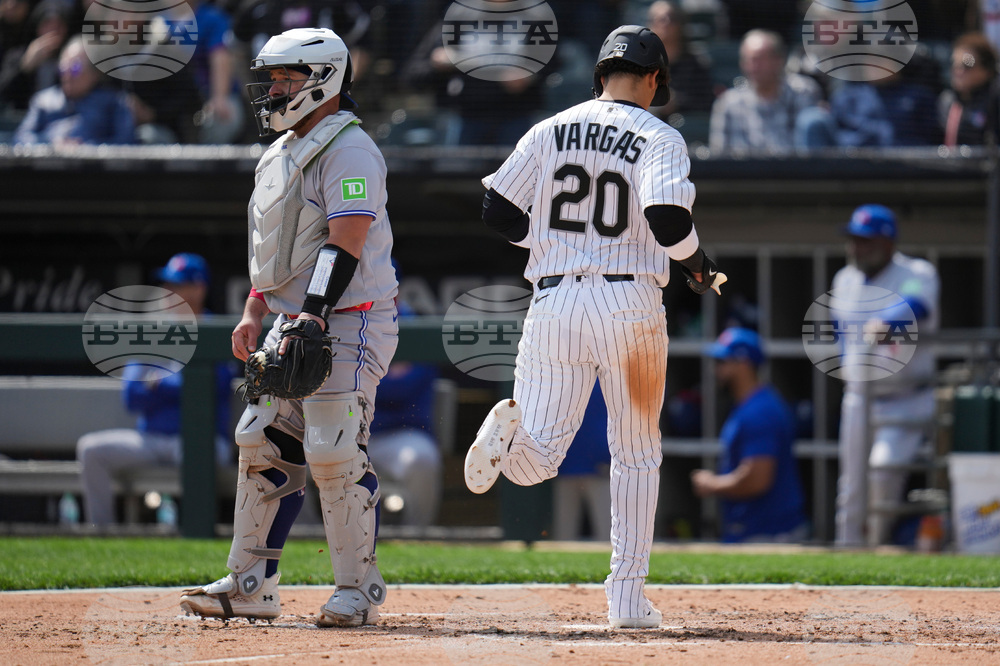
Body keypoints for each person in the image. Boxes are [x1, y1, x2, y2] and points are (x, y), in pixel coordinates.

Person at [462, 25, 723, 629]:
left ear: (600, 73)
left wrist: (548, 242)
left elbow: (496, 209)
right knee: (635, 454)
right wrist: (700, 267)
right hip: (629, 303)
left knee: (536, 462)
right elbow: (666, 216)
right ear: (654, 79)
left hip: (553, 300)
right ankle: (626, 599)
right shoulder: (659, 134)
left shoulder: (549, 127)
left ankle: (506, 436)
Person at [180, 27, 398, 628]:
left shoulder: (351, 149)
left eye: (285, 78)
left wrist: (313, 313)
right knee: (263, 441)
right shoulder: (280, 152)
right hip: (294, 319)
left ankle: (357, 589)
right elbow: (278, 250)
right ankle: (250, 584)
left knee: (332, 448)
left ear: (323, 80)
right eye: (272, 78)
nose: (273, 89)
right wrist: (257, 308)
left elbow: (345, 240)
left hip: (349, 318)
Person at [76, 253, 235, 527]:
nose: (169, 291)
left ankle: (195, 533)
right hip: (150, 439)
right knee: (91, 450)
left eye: (178, 285)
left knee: (197, 455)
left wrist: (158, 383)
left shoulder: (219, 330)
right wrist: (178, 386)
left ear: (199, 289)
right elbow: (132, 395)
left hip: (202, 440)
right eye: (167, 284)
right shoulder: (152, 332)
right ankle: (101, 533)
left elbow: (212, 388)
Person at [831, 205, 940, 547]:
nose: (857, 248)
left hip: (906, 396)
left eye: (866, 241)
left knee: (882, 469)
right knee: (851, 486)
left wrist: (888, 321)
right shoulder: (844, 279)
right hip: (859, 395)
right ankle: (847, 551)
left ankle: (874, 546)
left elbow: (916, 304)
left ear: (887, 243)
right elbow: (838, 331)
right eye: (854, 240)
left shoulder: (916, 272)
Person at [691, 328, 807, 543]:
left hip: (768, 535)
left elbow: (757, 480)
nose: (716, 369)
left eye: (722, 362)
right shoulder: (751, 405)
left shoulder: (759, 411)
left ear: (743, 364)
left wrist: (712, 483)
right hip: (758, 531)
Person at [709, 29, 821, 155]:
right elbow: (718, 156)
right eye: (747, 60)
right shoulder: (727, 104)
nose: (753, 67)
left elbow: (813, 152)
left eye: (759, 60)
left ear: (778, 60)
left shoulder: (803, 92)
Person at [13, 35, 135, 145]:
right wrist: (52, 144)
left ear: (95, 73)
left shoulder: (114, 103)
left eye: (75, 69)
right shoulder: (43, 101)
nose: (67, 75)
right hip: (48, 161)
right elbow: (21, 138)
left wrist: (86, 148)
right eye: (63, 68)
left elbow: (127, 142)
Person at [552, 383, 612, 541]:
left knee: (609, 534)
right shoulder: (563, 380)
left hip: (601, 466)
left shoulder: (609, 378)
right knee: (563, 535)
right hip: (567, 464)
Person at [646, 1, 714, 120]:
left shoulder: (697, 64)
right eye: (661, 19)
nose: (666, 23)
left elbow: (706, 102)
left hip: (686, 127)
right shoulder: (642, 64)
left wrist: (677, 102)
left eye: (672, 18)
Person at [939, 32, 1000, 146]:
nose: (958, 72)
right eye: (954, 65)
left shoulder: (995, 98)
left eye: (966, 66)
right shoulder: (948, 101)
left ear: (986, 70)